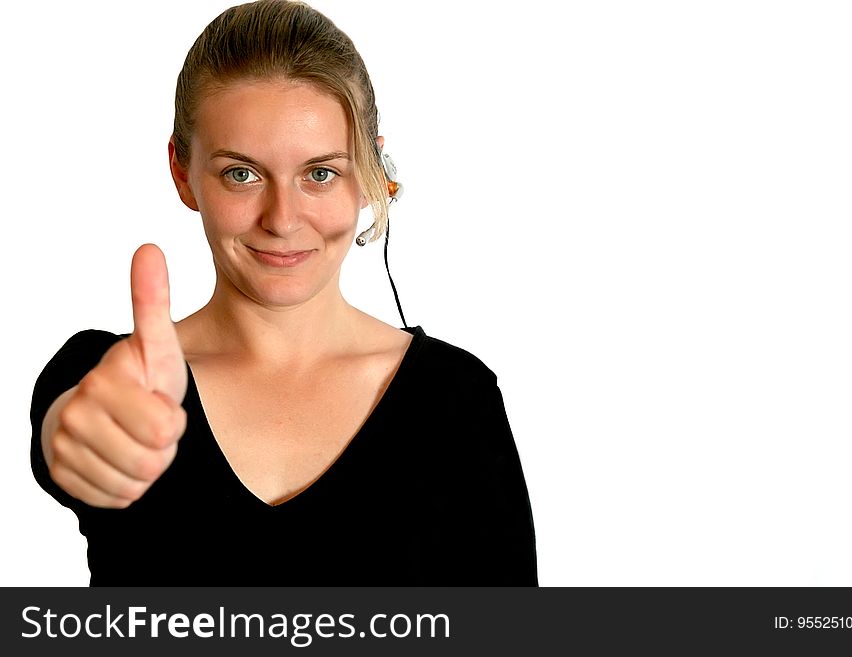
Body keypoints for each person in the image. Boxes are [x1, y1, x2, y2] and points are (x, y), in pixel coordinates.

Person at [30, 0, 537, 586]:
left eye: (320, 173)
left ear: (371, 171)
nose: (282, 218)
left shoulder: (457, 397)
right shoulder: (115, 377)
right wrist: (76, 438)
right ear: (181, 169)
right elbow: (68, 434)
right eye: (241, 173)